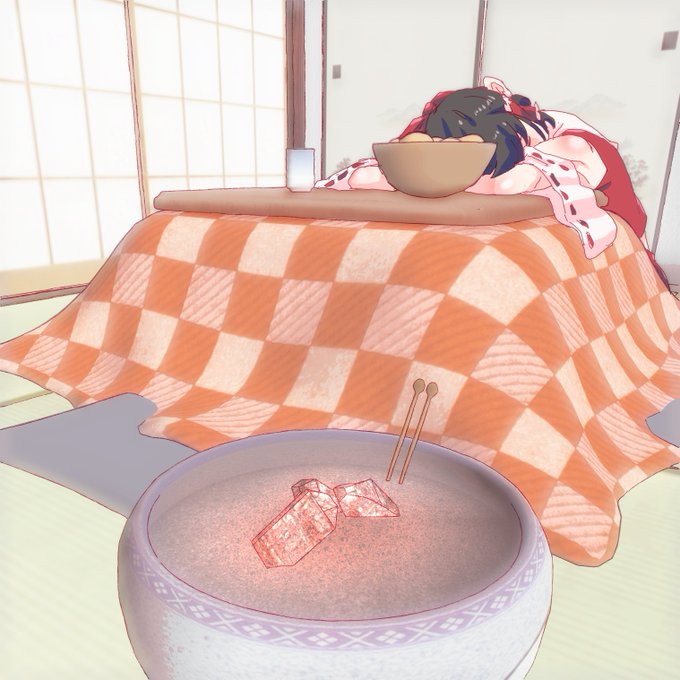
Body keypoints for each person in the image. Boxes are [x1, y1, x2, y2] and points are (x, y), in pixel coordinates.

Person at [318, 77, 669, 288]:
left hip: (624, 256)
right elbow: (367, 175)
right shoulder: (481, 140)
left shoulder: (573, 145)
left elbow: (507, 185)